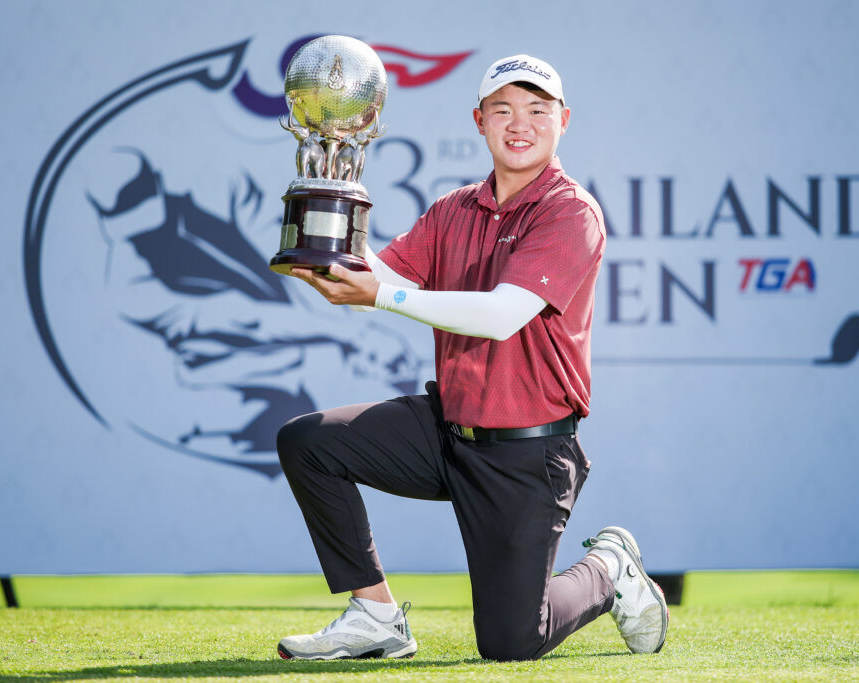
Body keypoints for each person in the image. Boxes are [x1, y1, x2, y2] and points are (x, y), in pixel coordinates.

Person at [275, 53, 668, 662]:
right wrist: (329, 229)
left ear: (563, 121)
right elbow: (378, 277)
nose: (520, 124)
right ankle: (375, 617)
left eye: (537, 110)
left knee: (512, 641)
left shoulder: (571, 211)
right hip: (448, 430)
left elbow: (501, 315)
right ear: (480, 121)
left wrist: (378, 294)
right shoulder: (454, 209)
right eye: (503, 110)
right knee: (309, 442)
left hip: (526, 451)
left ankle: (609, 568)